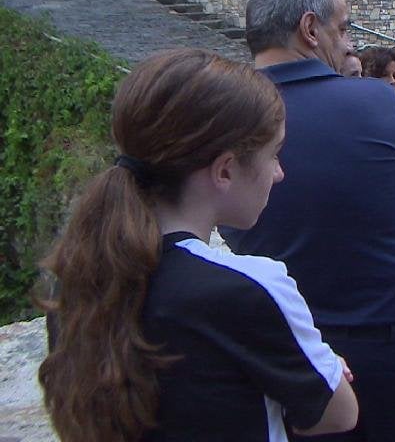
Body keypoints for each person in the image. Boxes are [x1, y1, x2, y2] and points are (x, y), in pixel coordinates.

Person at [37, 49, 358, 442]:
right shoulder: (251, 286)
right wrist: (327, 365)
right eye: (273, 154)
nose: (279, 173)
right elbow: (338, 413)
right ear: (225, 170)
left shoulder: (80, 276)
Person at [223, 0, 395, 442]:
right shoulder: (378, 101)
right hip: (392, 353)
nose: (348, 42)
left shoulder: (220, 112)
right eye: (344, 28)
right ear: (311, 29)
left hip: (282, 353)